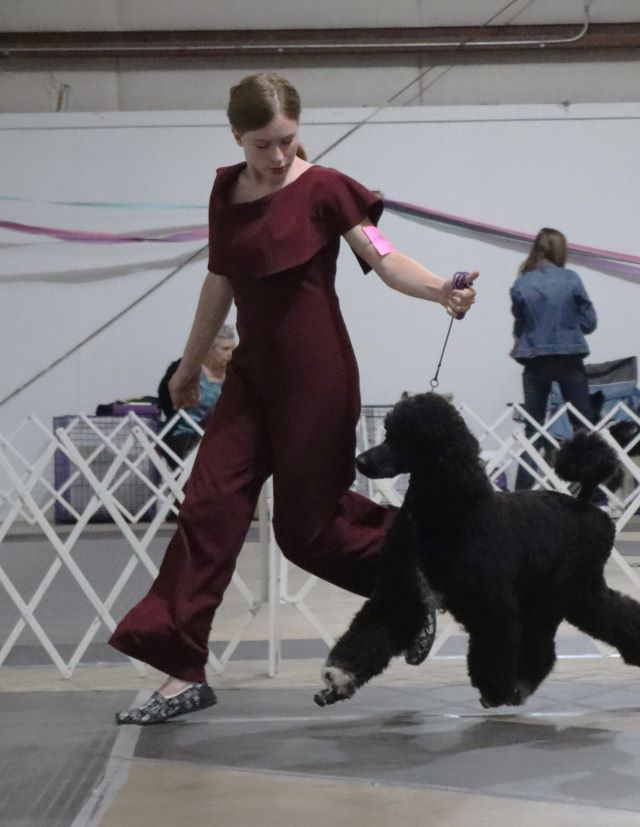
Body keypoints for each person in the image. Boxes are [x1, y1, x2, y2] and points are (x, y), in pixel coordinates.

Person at [110, 71, 478, 724]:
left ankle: (416, 577)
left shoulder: (326, 188)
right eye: (263, 144)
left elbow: (385, 257)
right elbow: (220, 282)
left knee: (307, 534)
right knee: (206, 508)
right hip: (250, 378)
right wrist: (189, 366)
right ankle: (180, 671)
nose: (278, 155)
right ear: (236, 137)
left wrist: (439, 289)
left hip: (318, 377)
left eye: (287, 139)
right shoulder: (225, 192)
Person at [510, 227, 597, 491]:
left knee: (533, 430)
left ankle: (522, 492)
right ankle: (589, 488)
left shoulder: (522, 283)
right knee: (583, 427)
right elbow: (590, 322)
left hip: (535, 359)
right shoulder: (571, 279)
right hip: (569, 358)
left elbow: (519, 327)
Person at [158, 324, 237, 464]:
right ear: (209, 349)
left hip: (222, 438)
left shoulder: (236, 376)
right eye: (225, 349)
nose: (231, 354)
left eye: (233, 349)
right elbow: (165, 398)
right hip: (183, 436)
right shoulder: (186, 369)